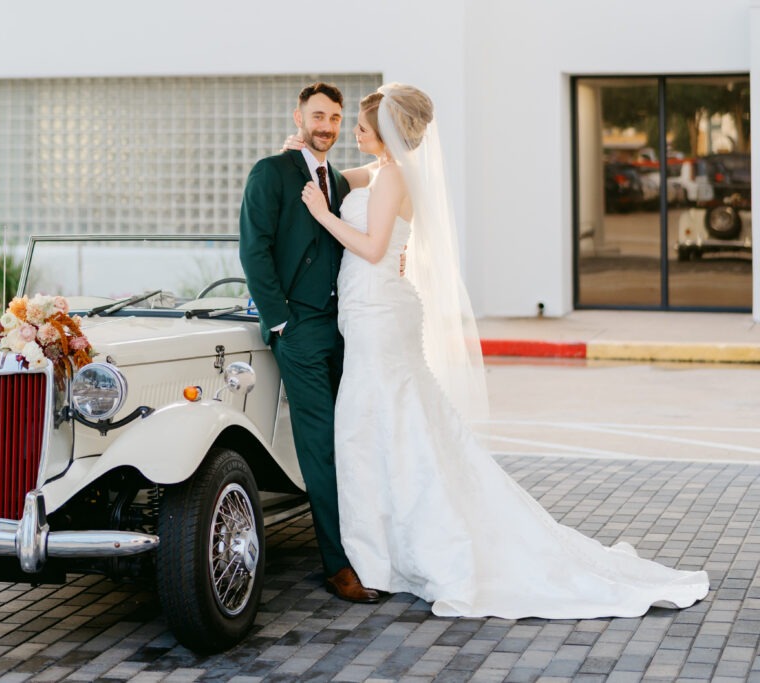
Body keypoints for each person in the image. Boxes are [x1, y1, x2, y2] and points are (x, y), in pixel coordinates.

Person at [296, 82, 709, 618]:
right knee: (389, 427)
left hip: (378, 311)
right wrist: (303, 155)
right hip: (371, 309)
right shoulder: (384, 171)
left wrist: (321, 215)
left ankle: (392, 548)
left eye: (361, 127)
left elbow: (374, 248)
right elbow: (337, 177)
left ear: (388, 134)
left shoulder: (394, 176)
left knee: (376, 424)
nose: (352, 133)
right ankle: (387, 543)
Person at [239, 82, 378, 603]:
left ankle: (368, 547)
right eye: (318, 115)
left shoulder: (337, 181)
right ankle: (338, 565)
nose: (327, 126)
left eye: (335, 118)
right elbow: (254, 249)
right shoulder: (270, 172)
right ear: (298, 117)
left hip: (345, 327)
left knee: (354, 439)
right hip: (298, 330)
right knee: (319, 447)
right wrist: (280, 322)